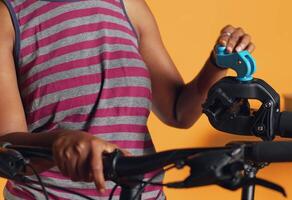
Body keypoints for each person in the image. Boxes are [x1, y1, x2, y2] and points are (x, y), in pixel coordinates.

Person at [0, 0, 255, 199]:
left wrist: (217, 63)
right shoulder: (8, 18)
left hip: (140, 194)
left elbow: (179, 112)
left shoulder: (128, 7)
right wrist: (60, 140)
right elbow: (5, 147)